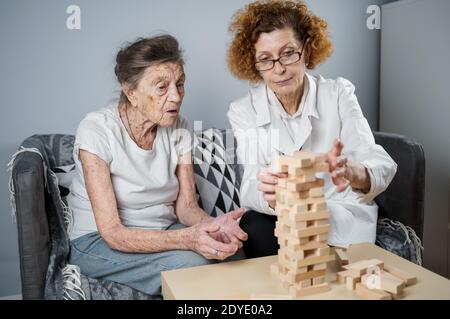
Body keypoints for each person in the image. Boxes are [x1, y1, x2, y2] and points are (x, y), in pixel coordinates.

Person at [67, 34, 247, 296]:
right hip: (98, 241)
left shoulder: (180, 127)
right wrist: (187, 239)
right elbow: (113, 232)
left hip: (163, 229)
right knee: (196, 267)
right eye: (161, 87)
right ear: (131, 93)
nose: (175, 96)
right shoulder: (96, 130)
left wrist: (214, 226)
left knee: (230, 252)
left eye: (180, 84)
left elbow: (186, 207)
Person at [226, 0, 397, 258]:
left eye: (288, 53)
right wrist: (272, 194)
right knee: (253, 225)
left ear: (305, 50)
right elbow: (249, 184)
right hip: (285, 215)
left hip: (338, 213)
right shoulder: (243, 110)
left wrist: (352, 170)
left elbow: (380, 163)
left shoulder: (338, 93)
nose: (279, 68)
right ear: (254, 64)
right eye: (266, 60)